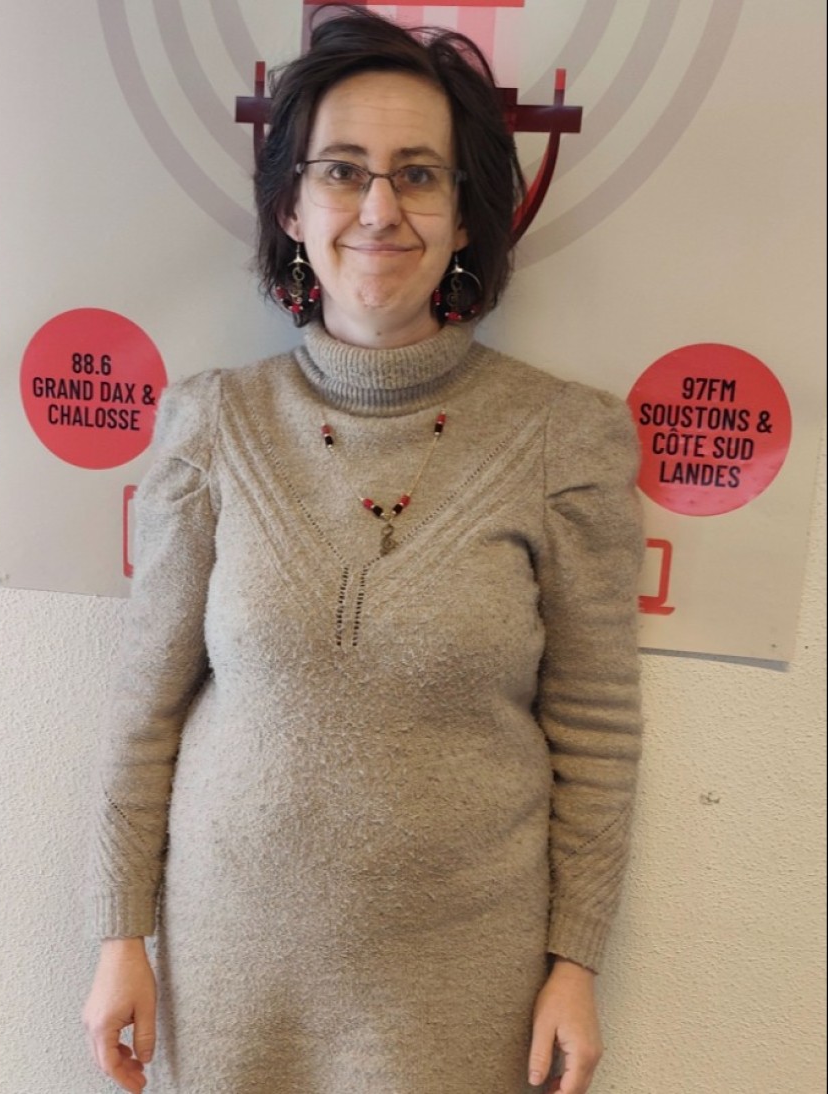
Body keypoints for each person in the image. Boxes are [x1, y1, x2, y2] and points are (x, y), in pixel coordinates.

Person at [82, 6, 644, 1093]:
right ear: (290, 207)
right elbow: (143, 707)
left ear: (466, 216)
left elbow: (595, 729)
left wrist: (576, 962)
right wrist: (118, 935)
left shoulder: (563, 438)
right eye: (341, 171)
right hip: (233, 962)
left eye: (418, 175)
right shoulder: (212, 424)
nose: (379, 209)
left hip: (462, 975)